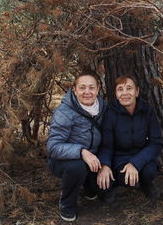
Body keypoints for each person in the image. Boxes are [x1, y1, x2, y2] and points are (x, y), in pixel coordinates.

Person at [46, 72, 106, 222]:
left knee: (106, 192)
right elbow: (53, 147)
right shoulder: (64, 112)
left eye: (91, 87)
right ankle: (67, 203)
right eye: (82, 87)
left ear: (98, 89)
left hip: (94, 158)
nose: (87, 92)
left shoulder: (104, 107)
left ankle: (89, 185)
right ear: (74, 89)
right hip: (65, 160)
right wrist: (81, 151)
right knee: (77, 167)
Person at [97, 75, 163, 202]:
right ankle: (115, 183)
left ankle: (146, 184)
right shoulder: (110, 113)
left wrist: (135, 163)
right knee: (125, 179)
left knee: (149, 171)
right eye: (120, 89)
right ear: (116, 94)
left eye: (129, 88)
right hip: (119, 159)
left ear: (137, 91)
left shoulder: (147, 111)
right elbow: (106, 145)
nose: (125, 93)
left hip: (142, 156)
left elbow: (156, 142)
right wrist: (105, 165)